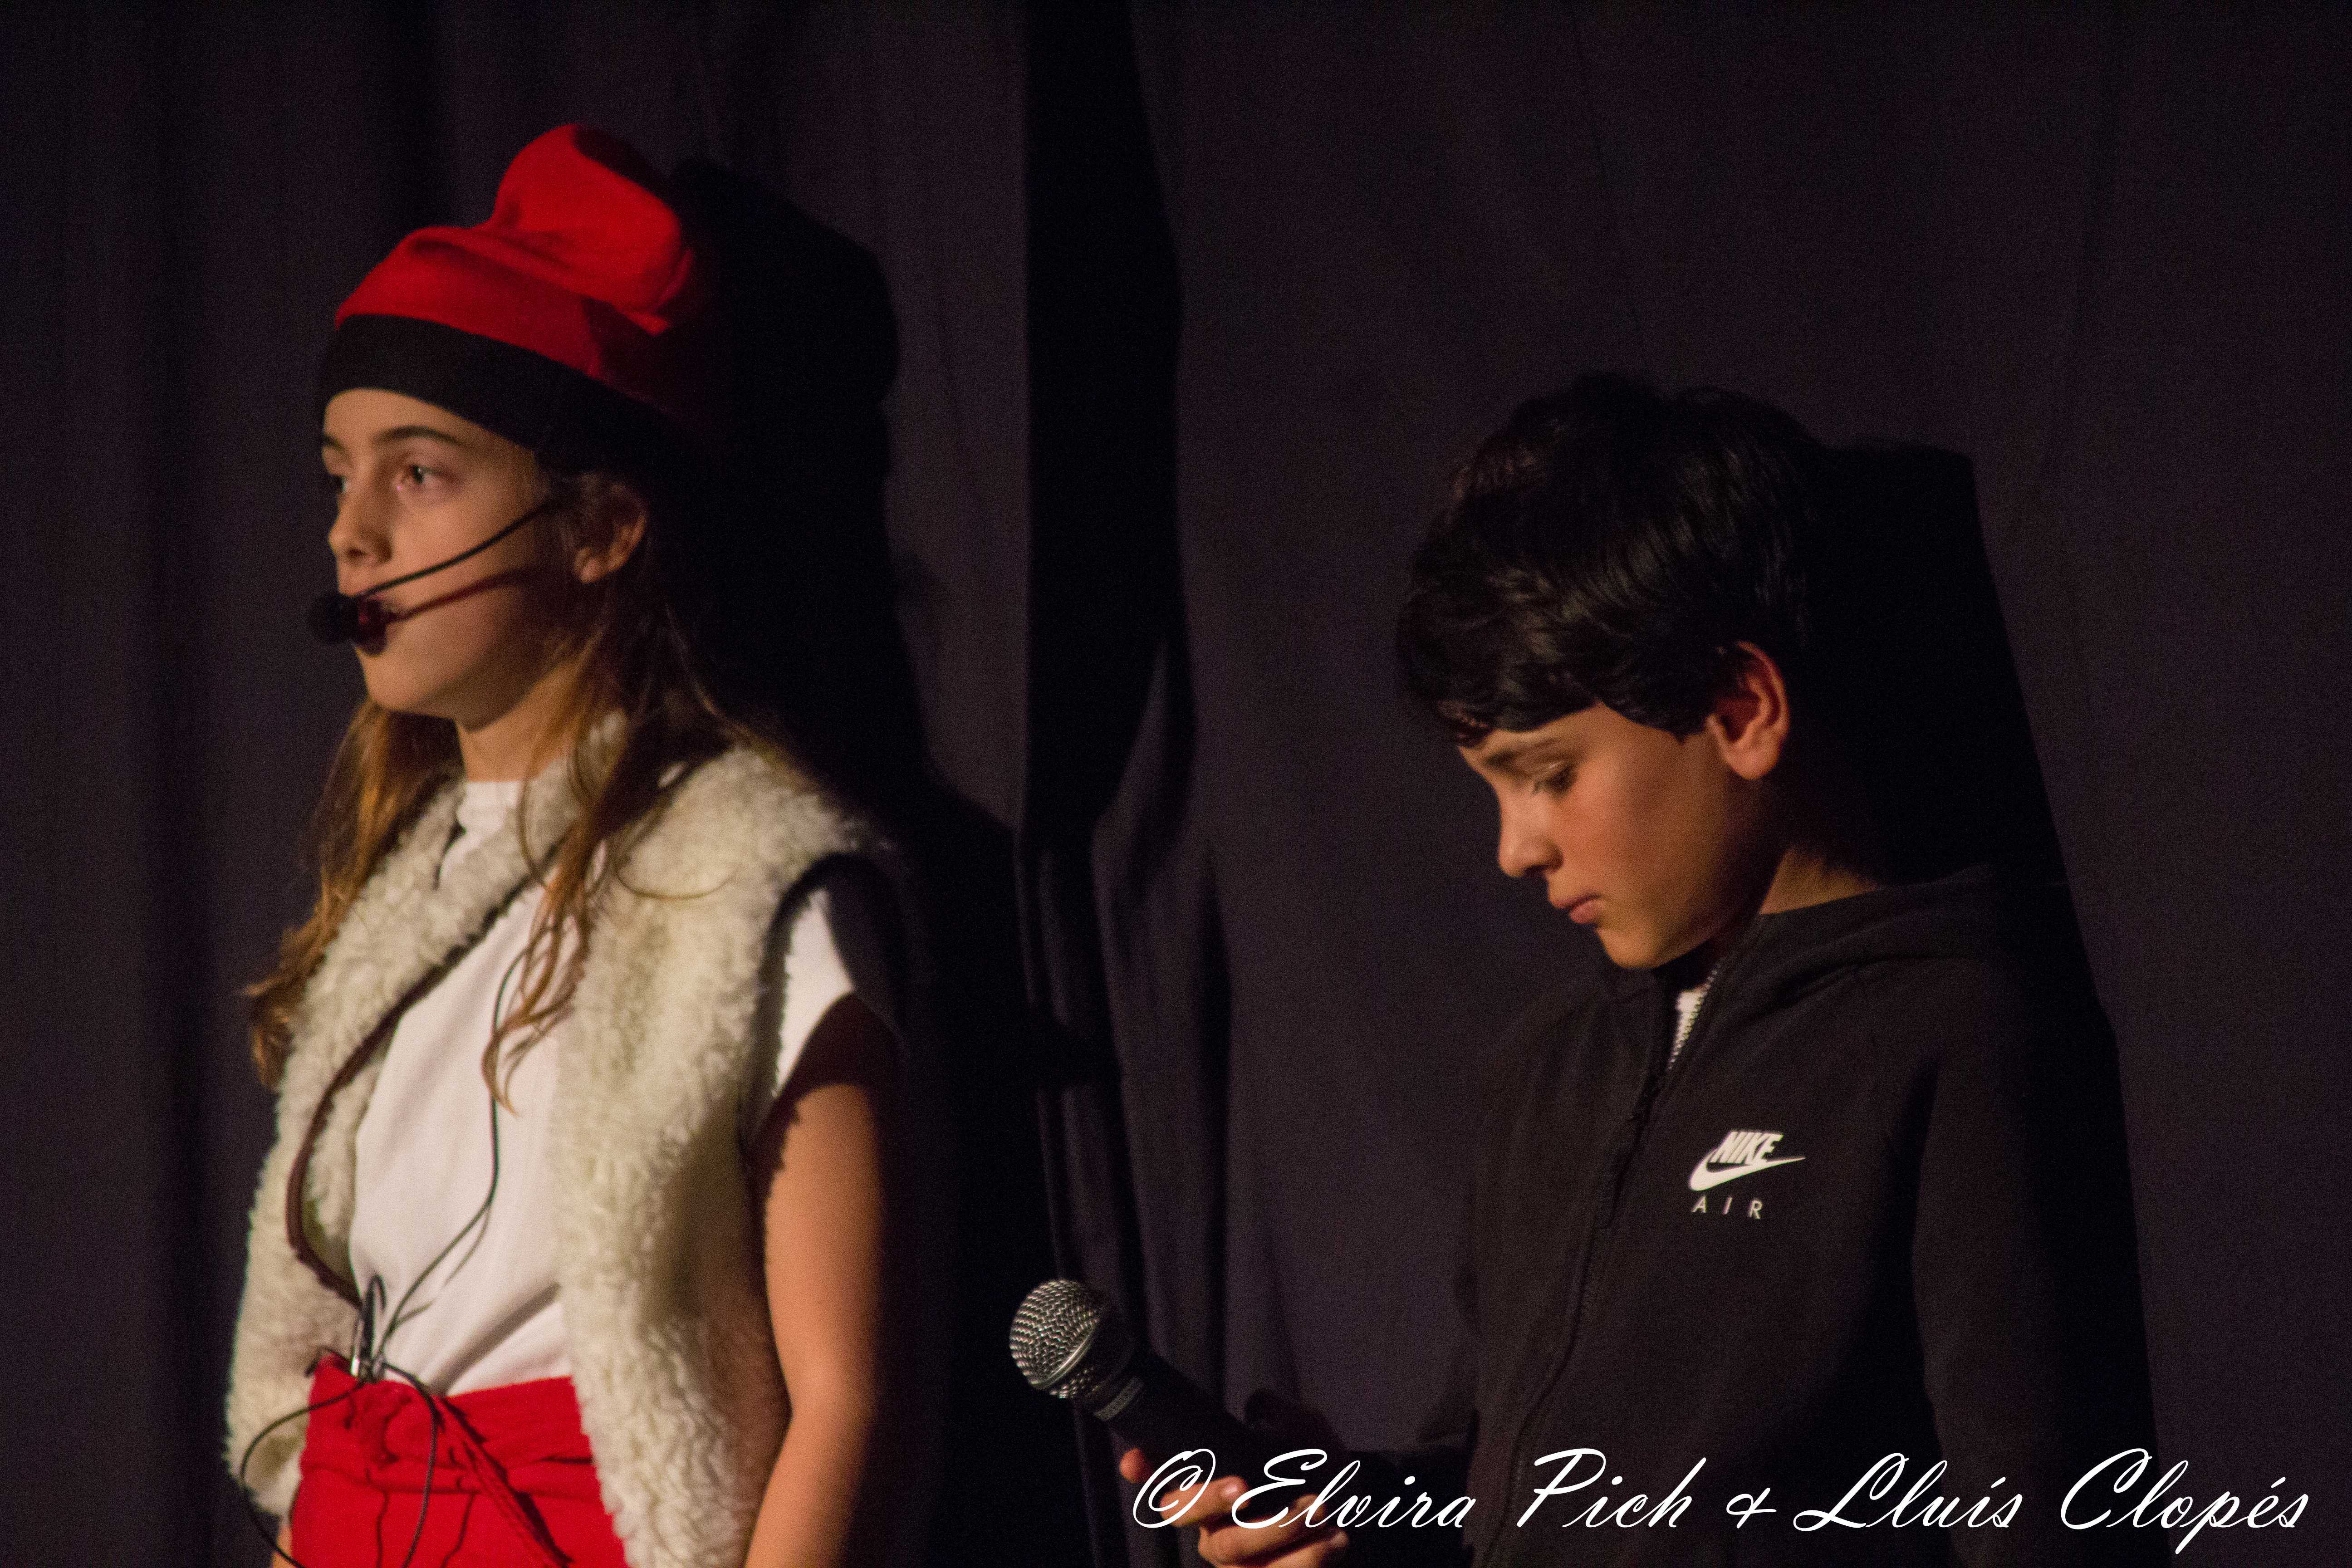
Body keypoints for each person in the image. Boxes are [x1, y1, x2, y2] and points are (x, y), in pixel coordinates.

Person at [1126, 374, 2158, 1565]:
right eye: (1494, 790)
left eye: (1550, 774)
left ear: (1743, 709)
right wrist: (1358, 1518)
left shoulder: (1954, 1031)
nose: (1516, 848)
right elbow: (1506, 1497)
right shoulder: (1549, 1073)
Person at [225, 125, 940, 1568]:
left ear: (603, 527)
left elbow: (854, 1398)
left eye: (421, 475)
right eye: (338, 476)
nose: (352, 535)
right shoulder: (406, 901)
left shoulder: (743, 882)